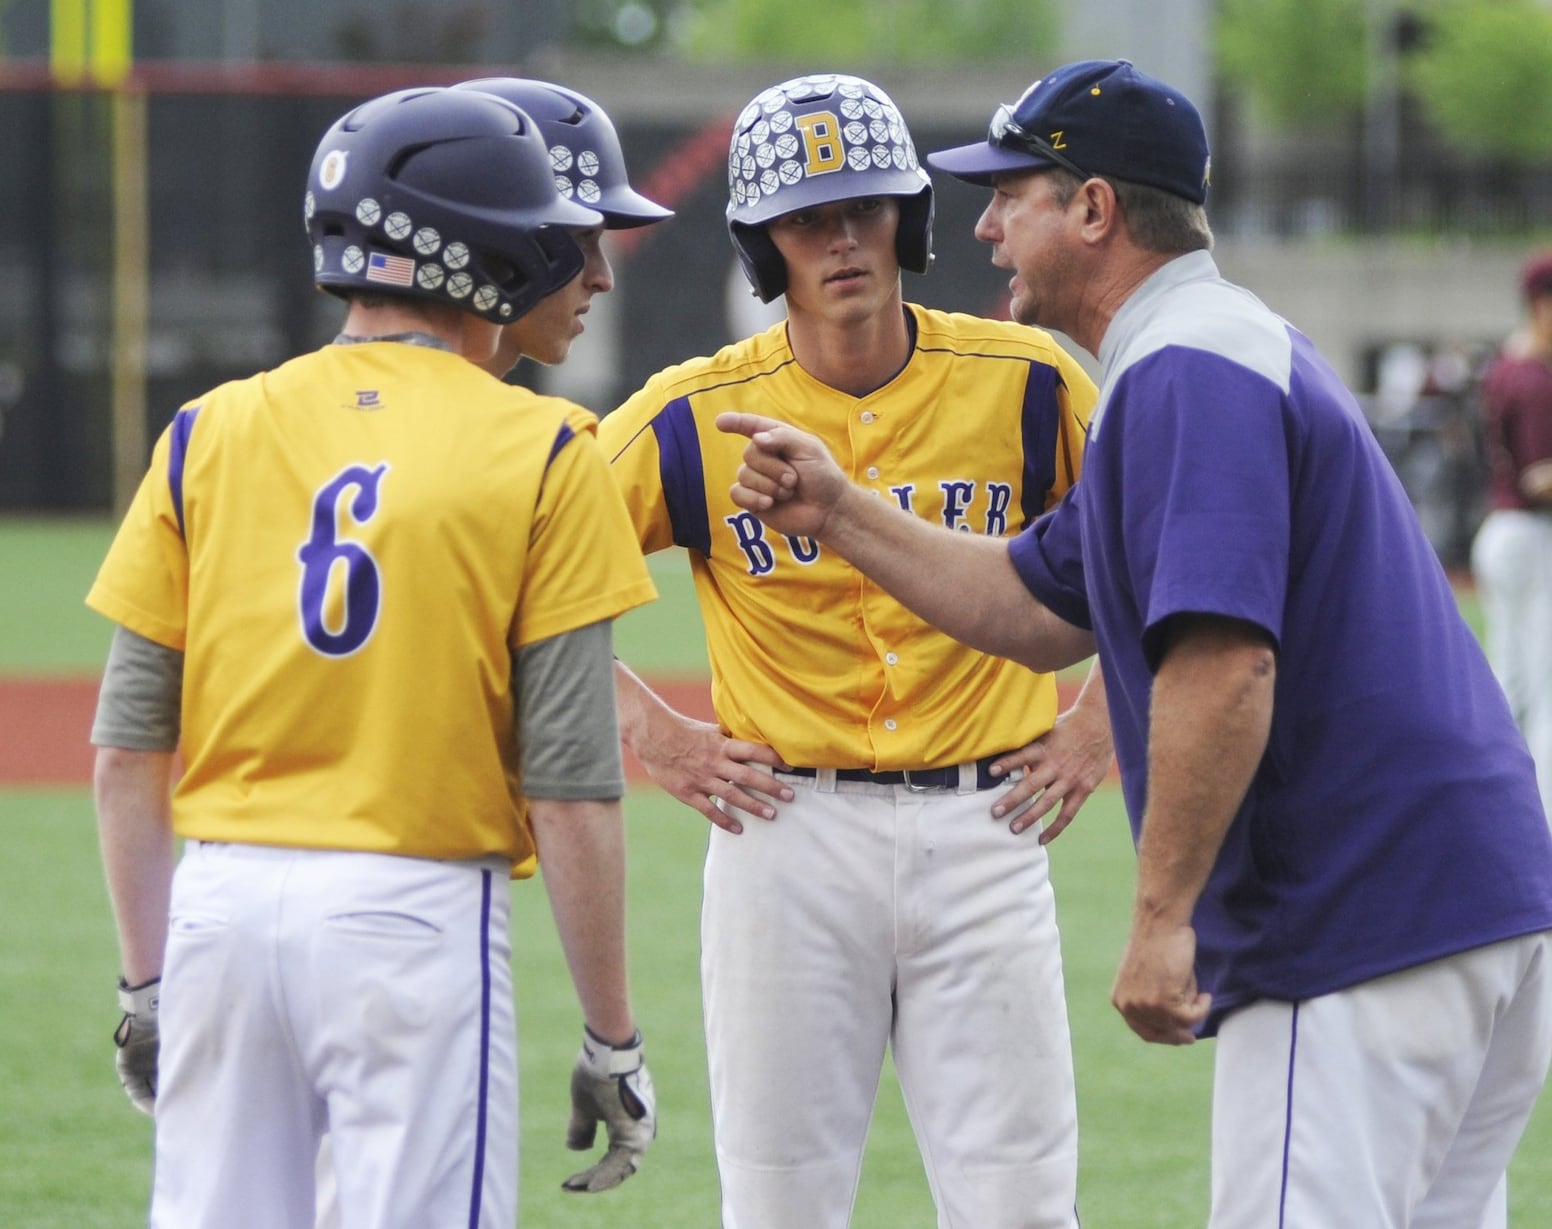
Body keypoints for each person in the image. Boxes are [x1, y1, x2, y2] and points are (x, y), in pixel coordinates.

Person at [722, 58, 1552, 1229]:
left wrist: (1164, 915)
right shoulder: (1217, 344)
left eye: (1011, 191)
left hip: (1360, 910)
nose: (985, 223)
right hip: (1472, 899)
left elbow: (1223, 665)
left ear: (1096, 209)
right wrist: (843, 511)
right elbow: (1035, 604)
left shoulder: (1185, 369)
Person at [89, 86, 660, 1229]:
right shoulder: (544, 445)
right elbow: (569, 788)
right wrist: (611, 1033)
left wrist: (148, 982)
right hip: (413, 912)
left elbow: (125, 751)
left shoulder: (209, 427)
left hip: (221, 907)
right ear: (488, 247)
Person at [596, 71, 1114, 1229]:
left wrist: (1098, 722)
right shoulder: (690, 414)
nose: (840, 238)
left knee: (1023, 1208)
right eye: (806, 216)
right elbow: (514, 582)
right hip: (787, 832)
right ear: (761, 241)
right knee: (778, 1208)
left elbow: (1175, 551)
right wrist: (652, 735)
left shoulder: (1029, 380)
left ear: (909, 218)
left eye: (864, 206)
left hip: (988, 827)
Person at [450, 77, 674, 380]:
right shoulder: (554, 427)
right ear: (495, 239)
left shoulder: (379, 401)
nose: (603, 280)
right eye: (582, 241)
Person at [1472, 251, 1552, 822]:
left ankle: (1495, 812)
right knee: (1546, 692)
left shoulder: (1505, 364)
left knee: (1511, 687)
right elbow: (1540, 477)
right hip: (1530, 534)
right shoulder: (1536, 379)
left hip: (1501, 531)